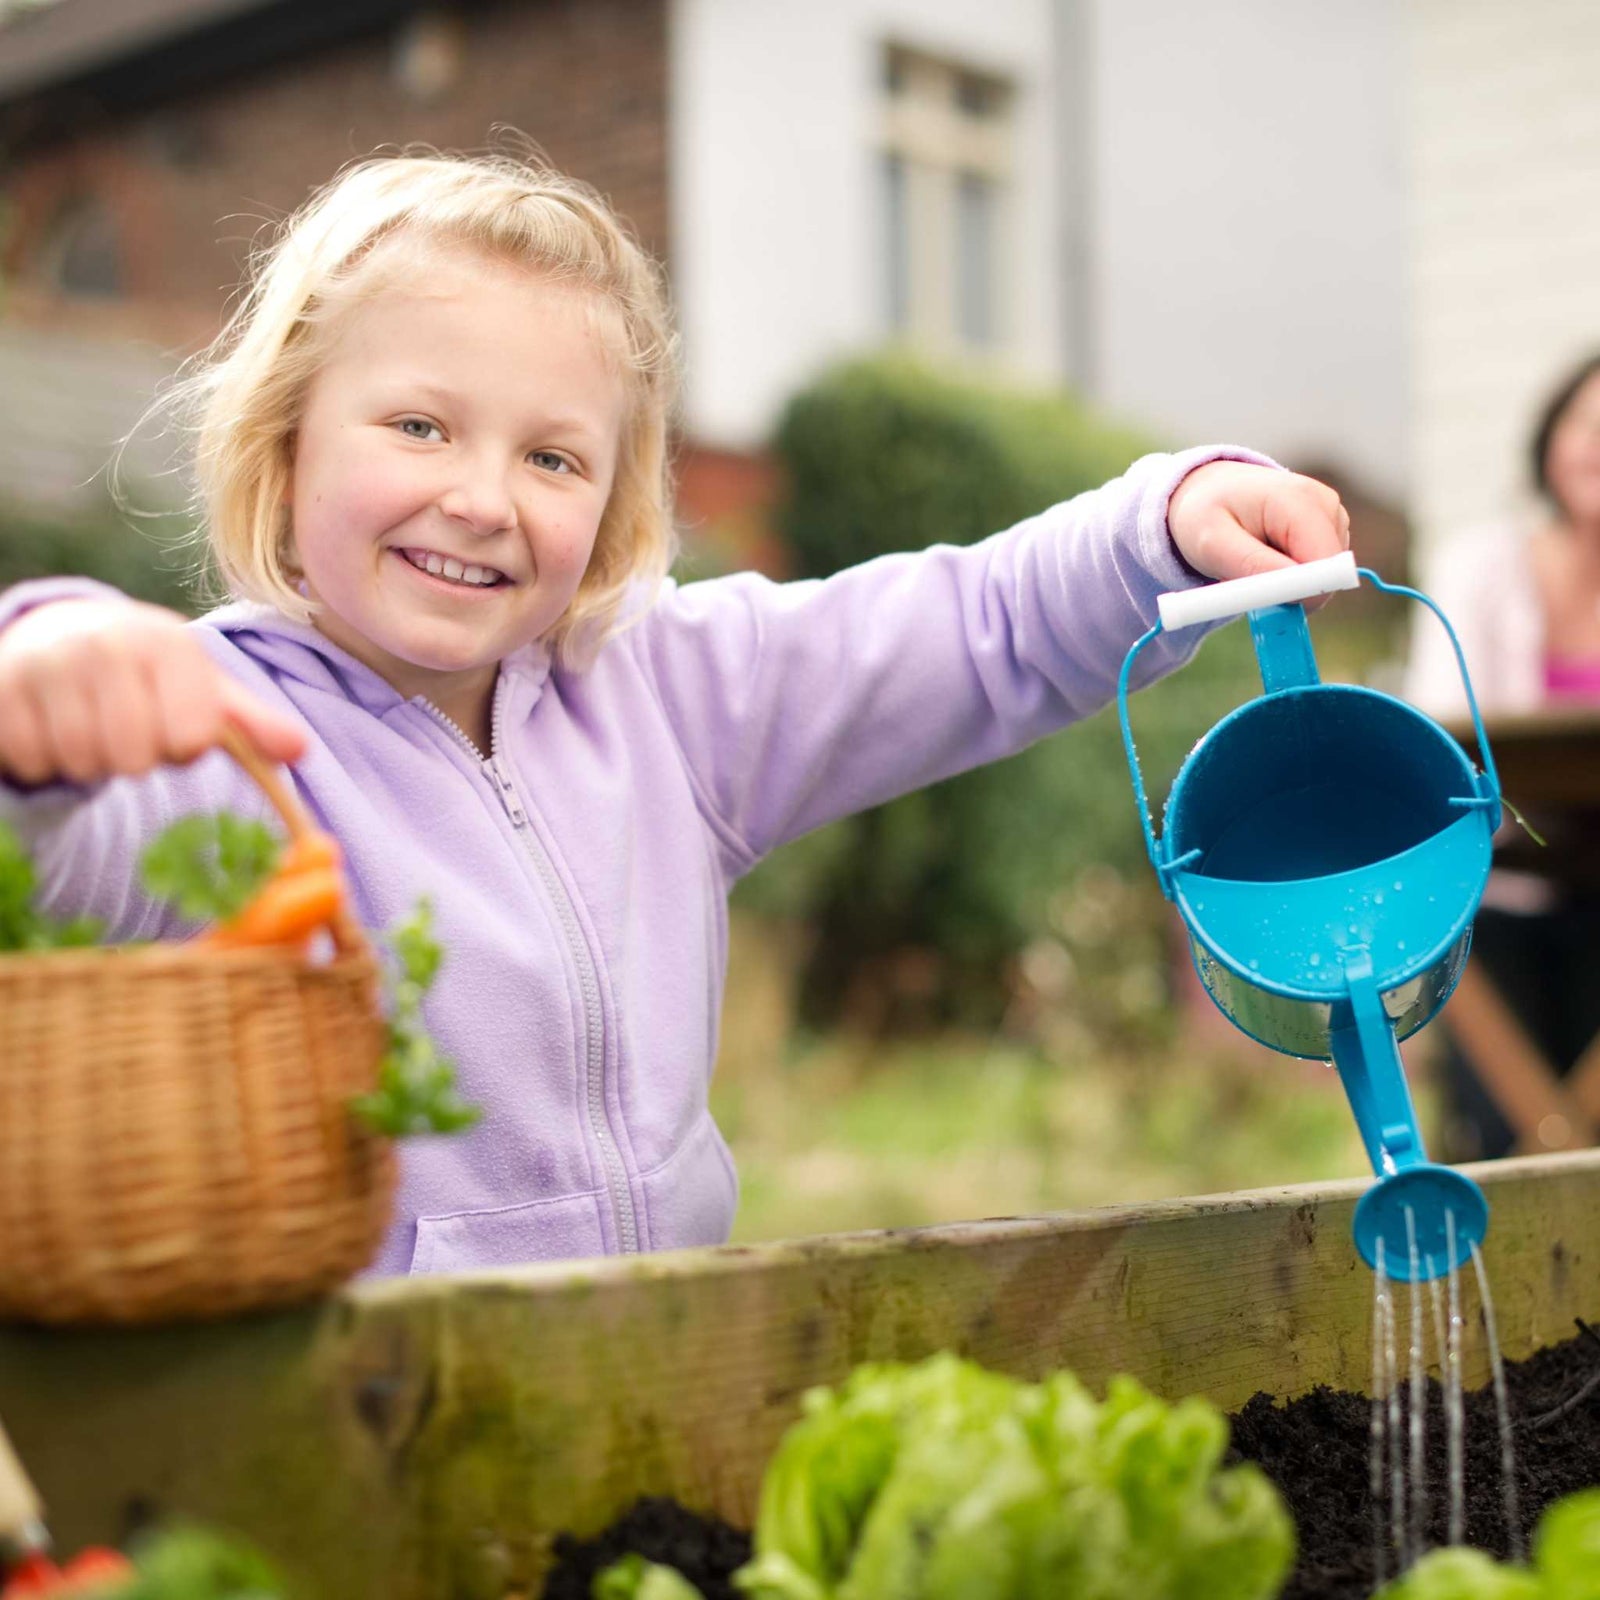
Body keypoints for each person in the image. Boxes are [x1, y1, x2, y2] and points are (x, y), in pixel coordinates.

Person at [0, 148, 1351, 1274]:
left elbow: (964, 627)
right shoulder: (213, 741)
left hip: (672, 1360)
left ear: (611, 509)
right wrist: (44, 683)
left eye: (551, 455)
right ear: (285, 445)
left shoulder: (666, 691)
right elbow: (61, 840)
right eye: (418, 427)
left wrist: (1160, 533)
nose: (481, 495)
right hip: (373, 1429)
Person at [1405, 352, 1600, 1158]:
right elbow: (1437, 731)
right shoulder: (1477, 567)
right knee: (1500, 1138)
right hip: (1491, 897)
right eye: (1590, 425)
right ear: (1552, 438)